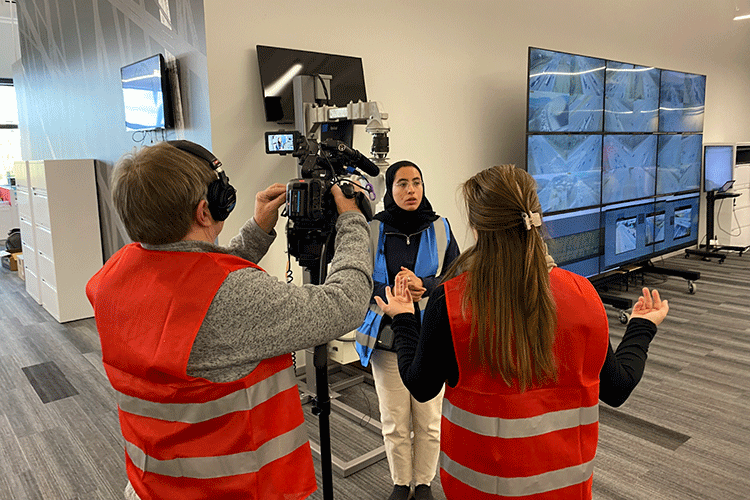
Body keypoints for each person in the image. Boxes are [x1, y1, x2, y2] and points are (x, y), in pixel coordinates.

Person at [85, 140, 373, 500]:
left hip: (155, 483)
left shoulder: (114, 277)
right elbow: (345, 303)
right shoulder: (231, 299)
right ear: (206, 210)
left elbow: (198, 287)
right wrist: (353, 221)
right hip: (235, 488)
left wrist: (256, 229)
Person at [375, 164, 669, 499]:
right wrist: (641, 327)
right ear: (536, 218)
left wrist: (403, 317)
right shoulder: (583, 294)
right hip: (563, 486)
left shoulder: (453, 300)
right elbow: (617, 389)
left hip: (476, 485)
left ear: (476, 227)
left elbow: (422, 385)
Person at [354, 161, 460, 500]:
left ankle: (425, 482)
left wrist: (424, 285)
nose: (411, 190)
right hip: (387, 337)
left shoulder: (441, 227)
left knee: (429, 418)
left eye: (416, 182)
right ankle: (402, 482)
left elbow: (457, 279)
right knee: (395, 419)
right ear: (389, 189)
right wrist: (394, 295)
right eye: (402, 184)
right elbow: (356, 281)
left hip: (432, 334)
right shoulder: (372, 229)